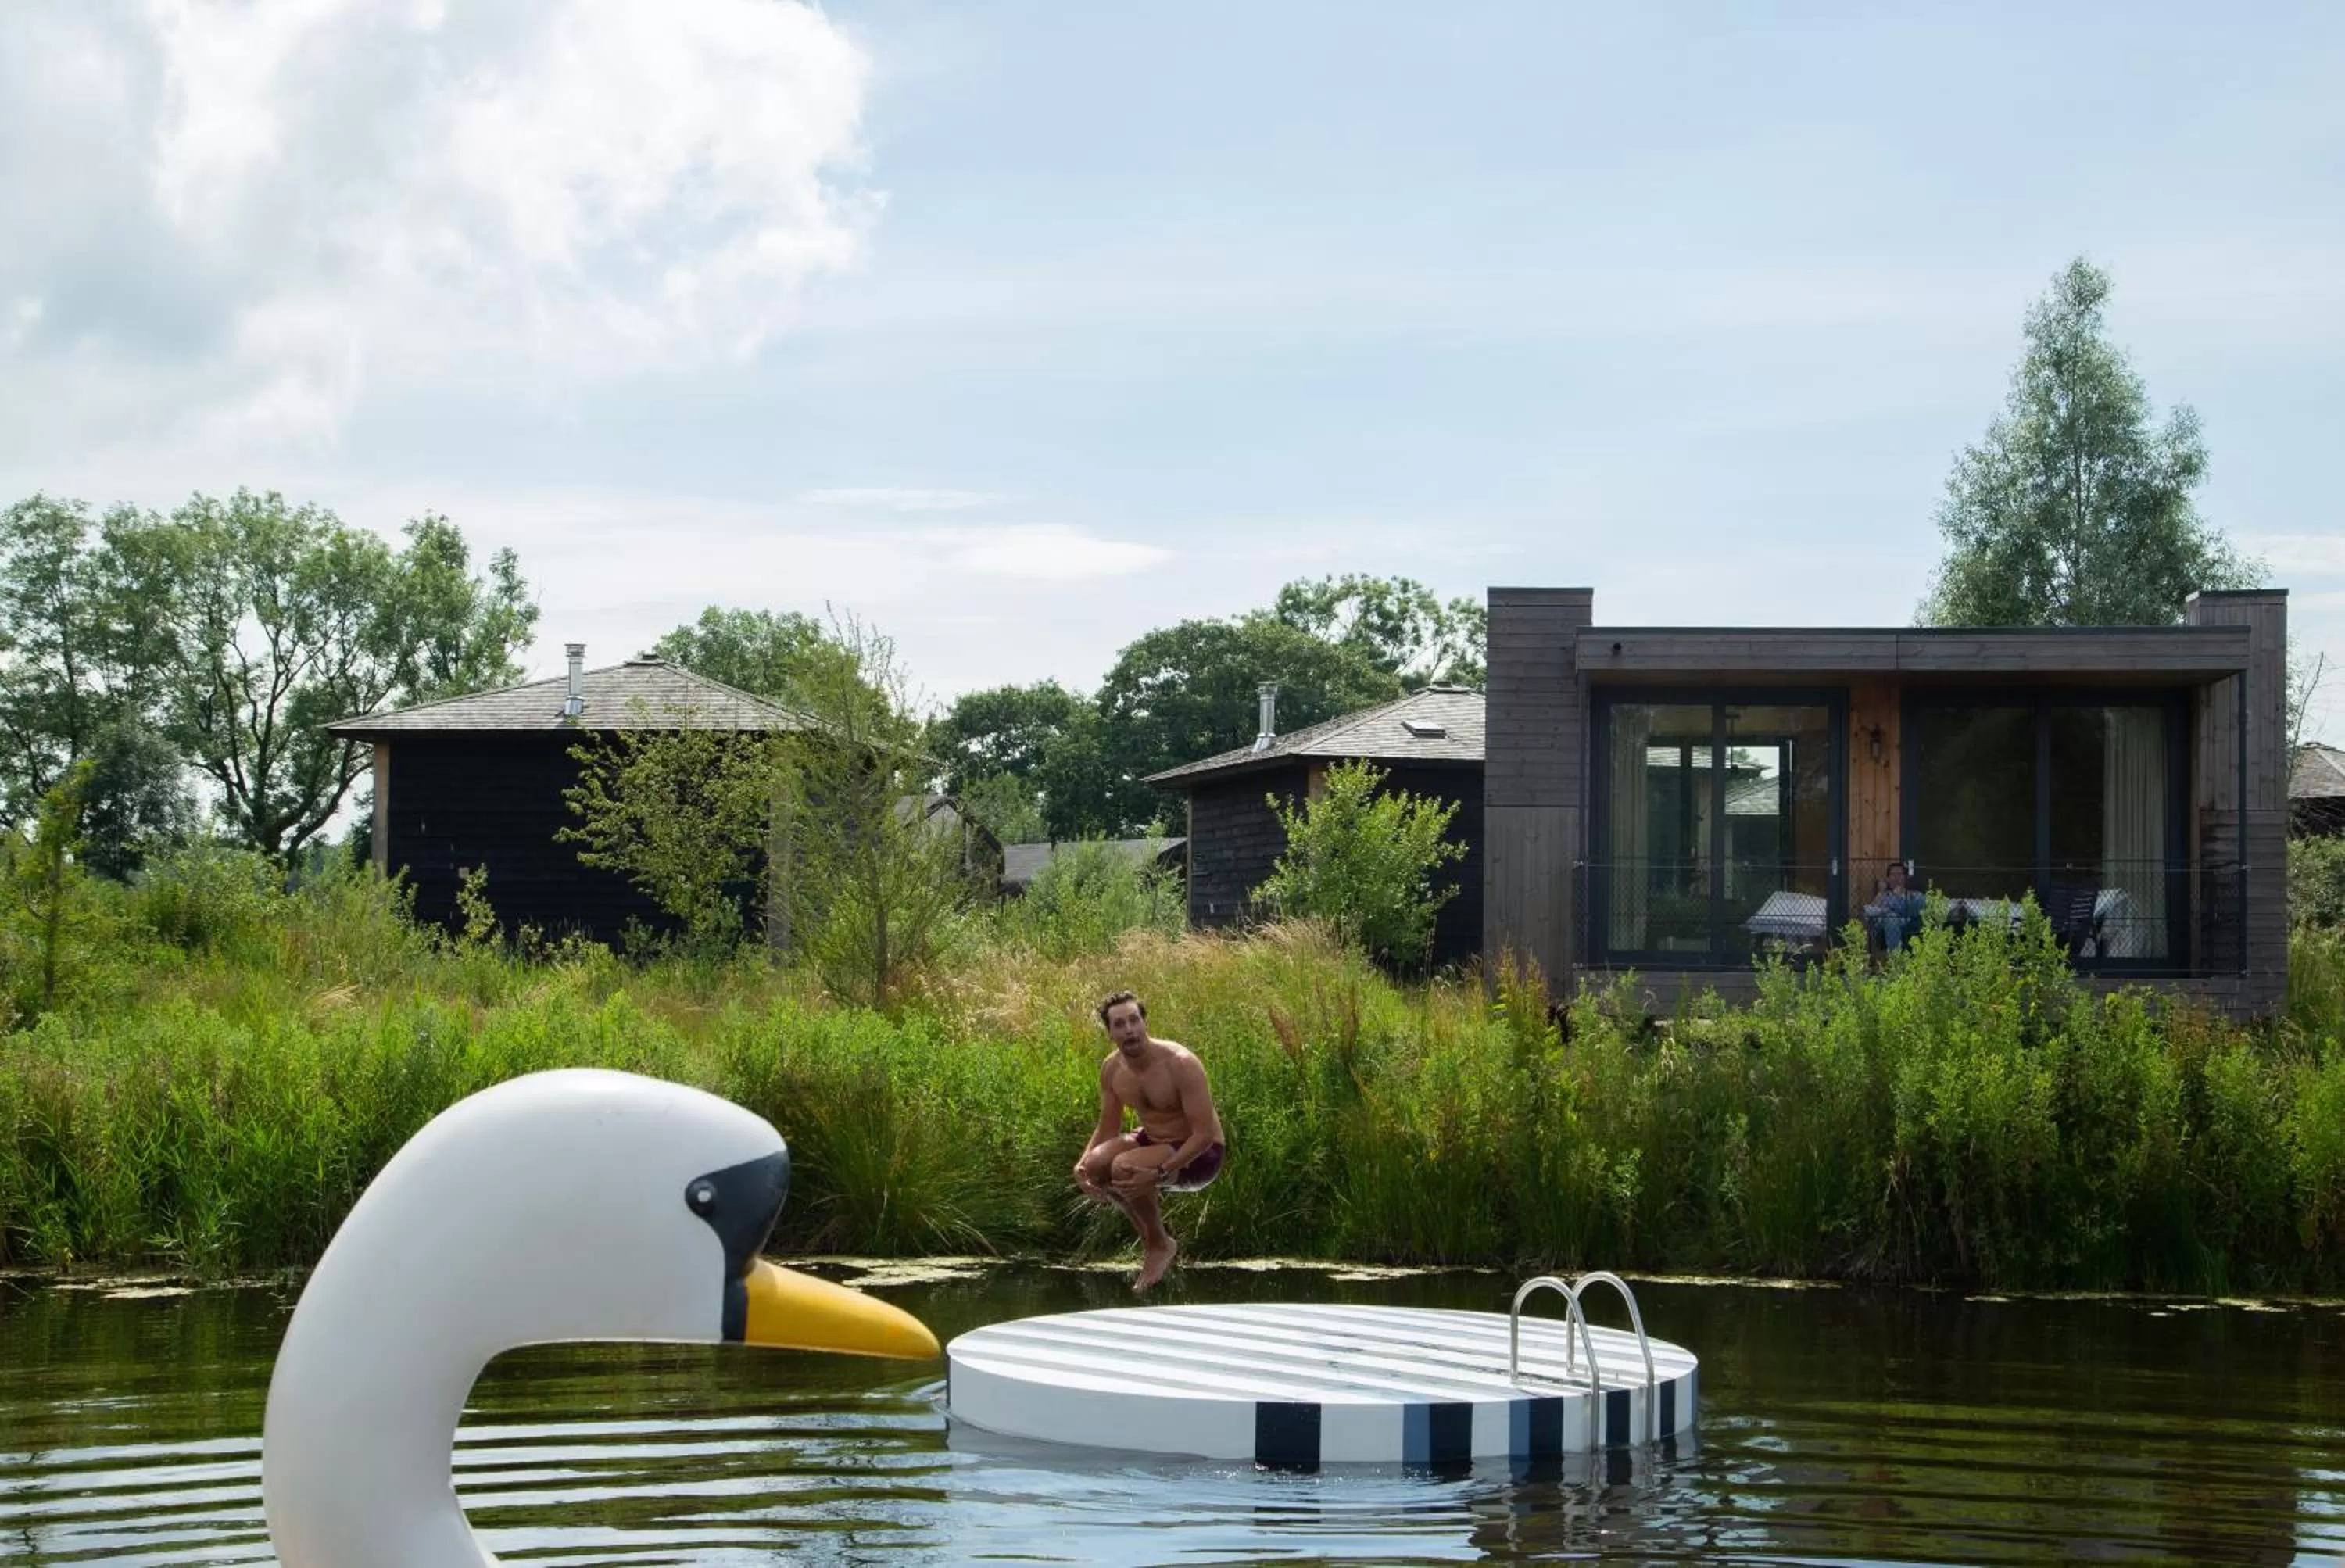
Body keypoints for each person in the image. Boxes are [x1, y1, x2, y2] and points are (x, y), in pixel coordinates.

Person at [1071, 990, 1225, 1294]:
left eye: (1134, 1020)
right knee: (1097, 1166)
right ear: (1110, 1033)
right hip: (1154, 1142)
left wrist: (1161, 1172)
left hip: (1200, 1154)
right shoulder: (1113, 1069)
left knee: (1124, 1166)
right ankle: (1155, 1239)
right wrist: (1081, 1163)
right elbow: (1108, 1127)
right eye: (1119, 1024)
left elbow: (1205, 1134)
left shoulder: (1180, 1063)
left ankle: (1158, 1246)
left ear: (1144, 1023)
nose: (1129, 1029)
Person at [1868, 858, 1924, 951]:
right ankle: (1895, 959)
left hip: (1910, 923)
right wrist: (1881, 892)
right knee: (1892, 918)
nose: (1896, 878)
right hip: (1890, 924)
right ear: (1888, 879)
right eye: (1893, 875)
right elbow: (1871, 910)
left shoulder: (1914, 895)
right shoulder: (1884, 895)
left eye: (1899, 875)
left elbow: (1920, 906)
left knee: (1920, 900)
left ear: (1905, 878)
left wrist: (1901, 897)